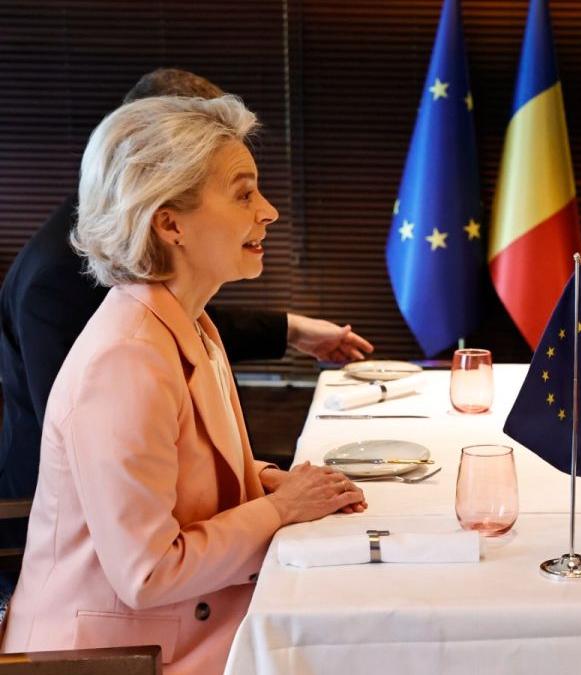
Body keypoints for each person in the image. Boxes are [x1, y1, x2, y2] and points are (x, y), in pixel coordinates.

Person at [1, 95, 368, 673]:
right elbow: (148, 573)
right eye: (244, 194)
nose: (268, 212)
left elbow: (189, 473)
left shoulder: (189, 322)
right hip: (114, 656)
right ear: (169, 223)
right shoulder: (126, 360)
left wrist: (273, 483)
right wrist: (281, 509)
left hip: (179, 629)